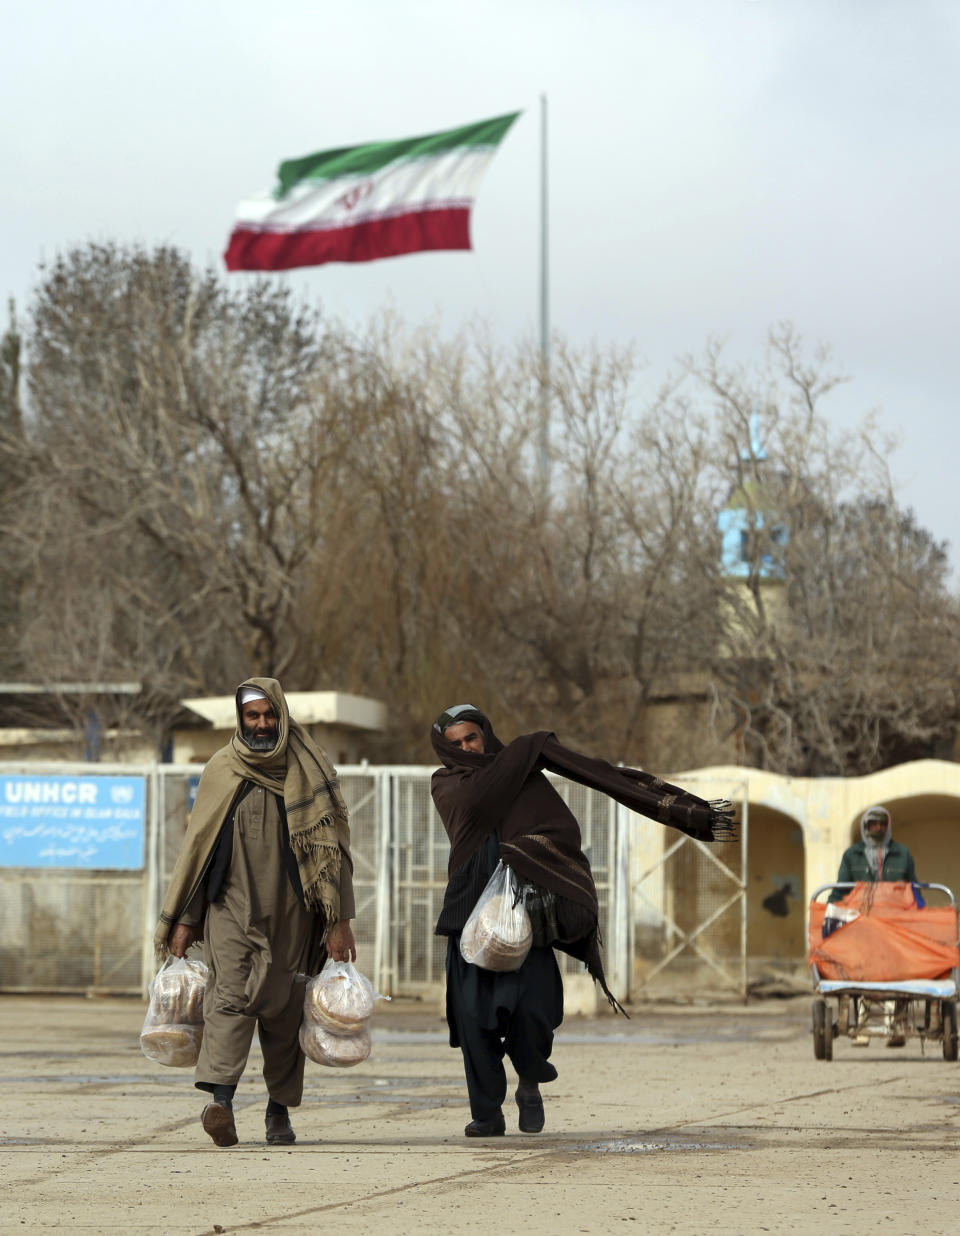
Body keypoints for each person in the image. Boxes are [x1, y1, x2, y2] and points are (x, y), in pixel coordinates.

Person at [430, 703, 736, 1138]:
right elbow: (480, 796)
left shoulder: (521, 774)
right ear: (444, 749)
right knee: (473, 1018)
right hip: (470, 916)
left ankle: (530, 1085)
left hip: (523, 917)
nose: (466, 747)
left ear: (485, 734)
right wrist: (530, 748)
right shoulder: (447, 783)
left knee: (533, 1011)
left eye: (472, 737)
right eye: (456, 742)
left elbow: (563, 828)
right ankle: (486, 1114)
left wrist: (531, 846)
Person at [154, 678, 356, 1148]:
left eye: (269, 715)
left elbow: (335, 852)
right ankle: (220, 1102)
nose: (262, 724)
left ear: (280, 714)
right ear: (240, 718)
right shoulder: (222, 768)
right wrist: (186, 920)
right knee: (228, 997)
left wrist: (339, 921)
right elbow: (198, 851)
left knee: (284, 1007)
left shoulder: (308, 767)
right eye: (253, 716)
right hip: (231, 907)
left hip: (294, 910)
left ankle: (278, 1110)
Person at [832, 805, 917, 1047]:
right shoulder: (852, 855)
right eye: (872, 824)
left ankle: (896, 1026)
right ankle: (862, 1026)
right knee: (863, 971)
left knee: (898, 973)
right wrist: (829, 913)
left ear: (887, 826)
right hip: (863, 924)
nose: (877, 828)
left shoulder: (903, 854)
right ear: (865, 827)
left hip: (895, 925)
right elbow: (841, 890)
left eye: (881, 823)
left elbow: (913, 889)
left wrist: (921, 914)